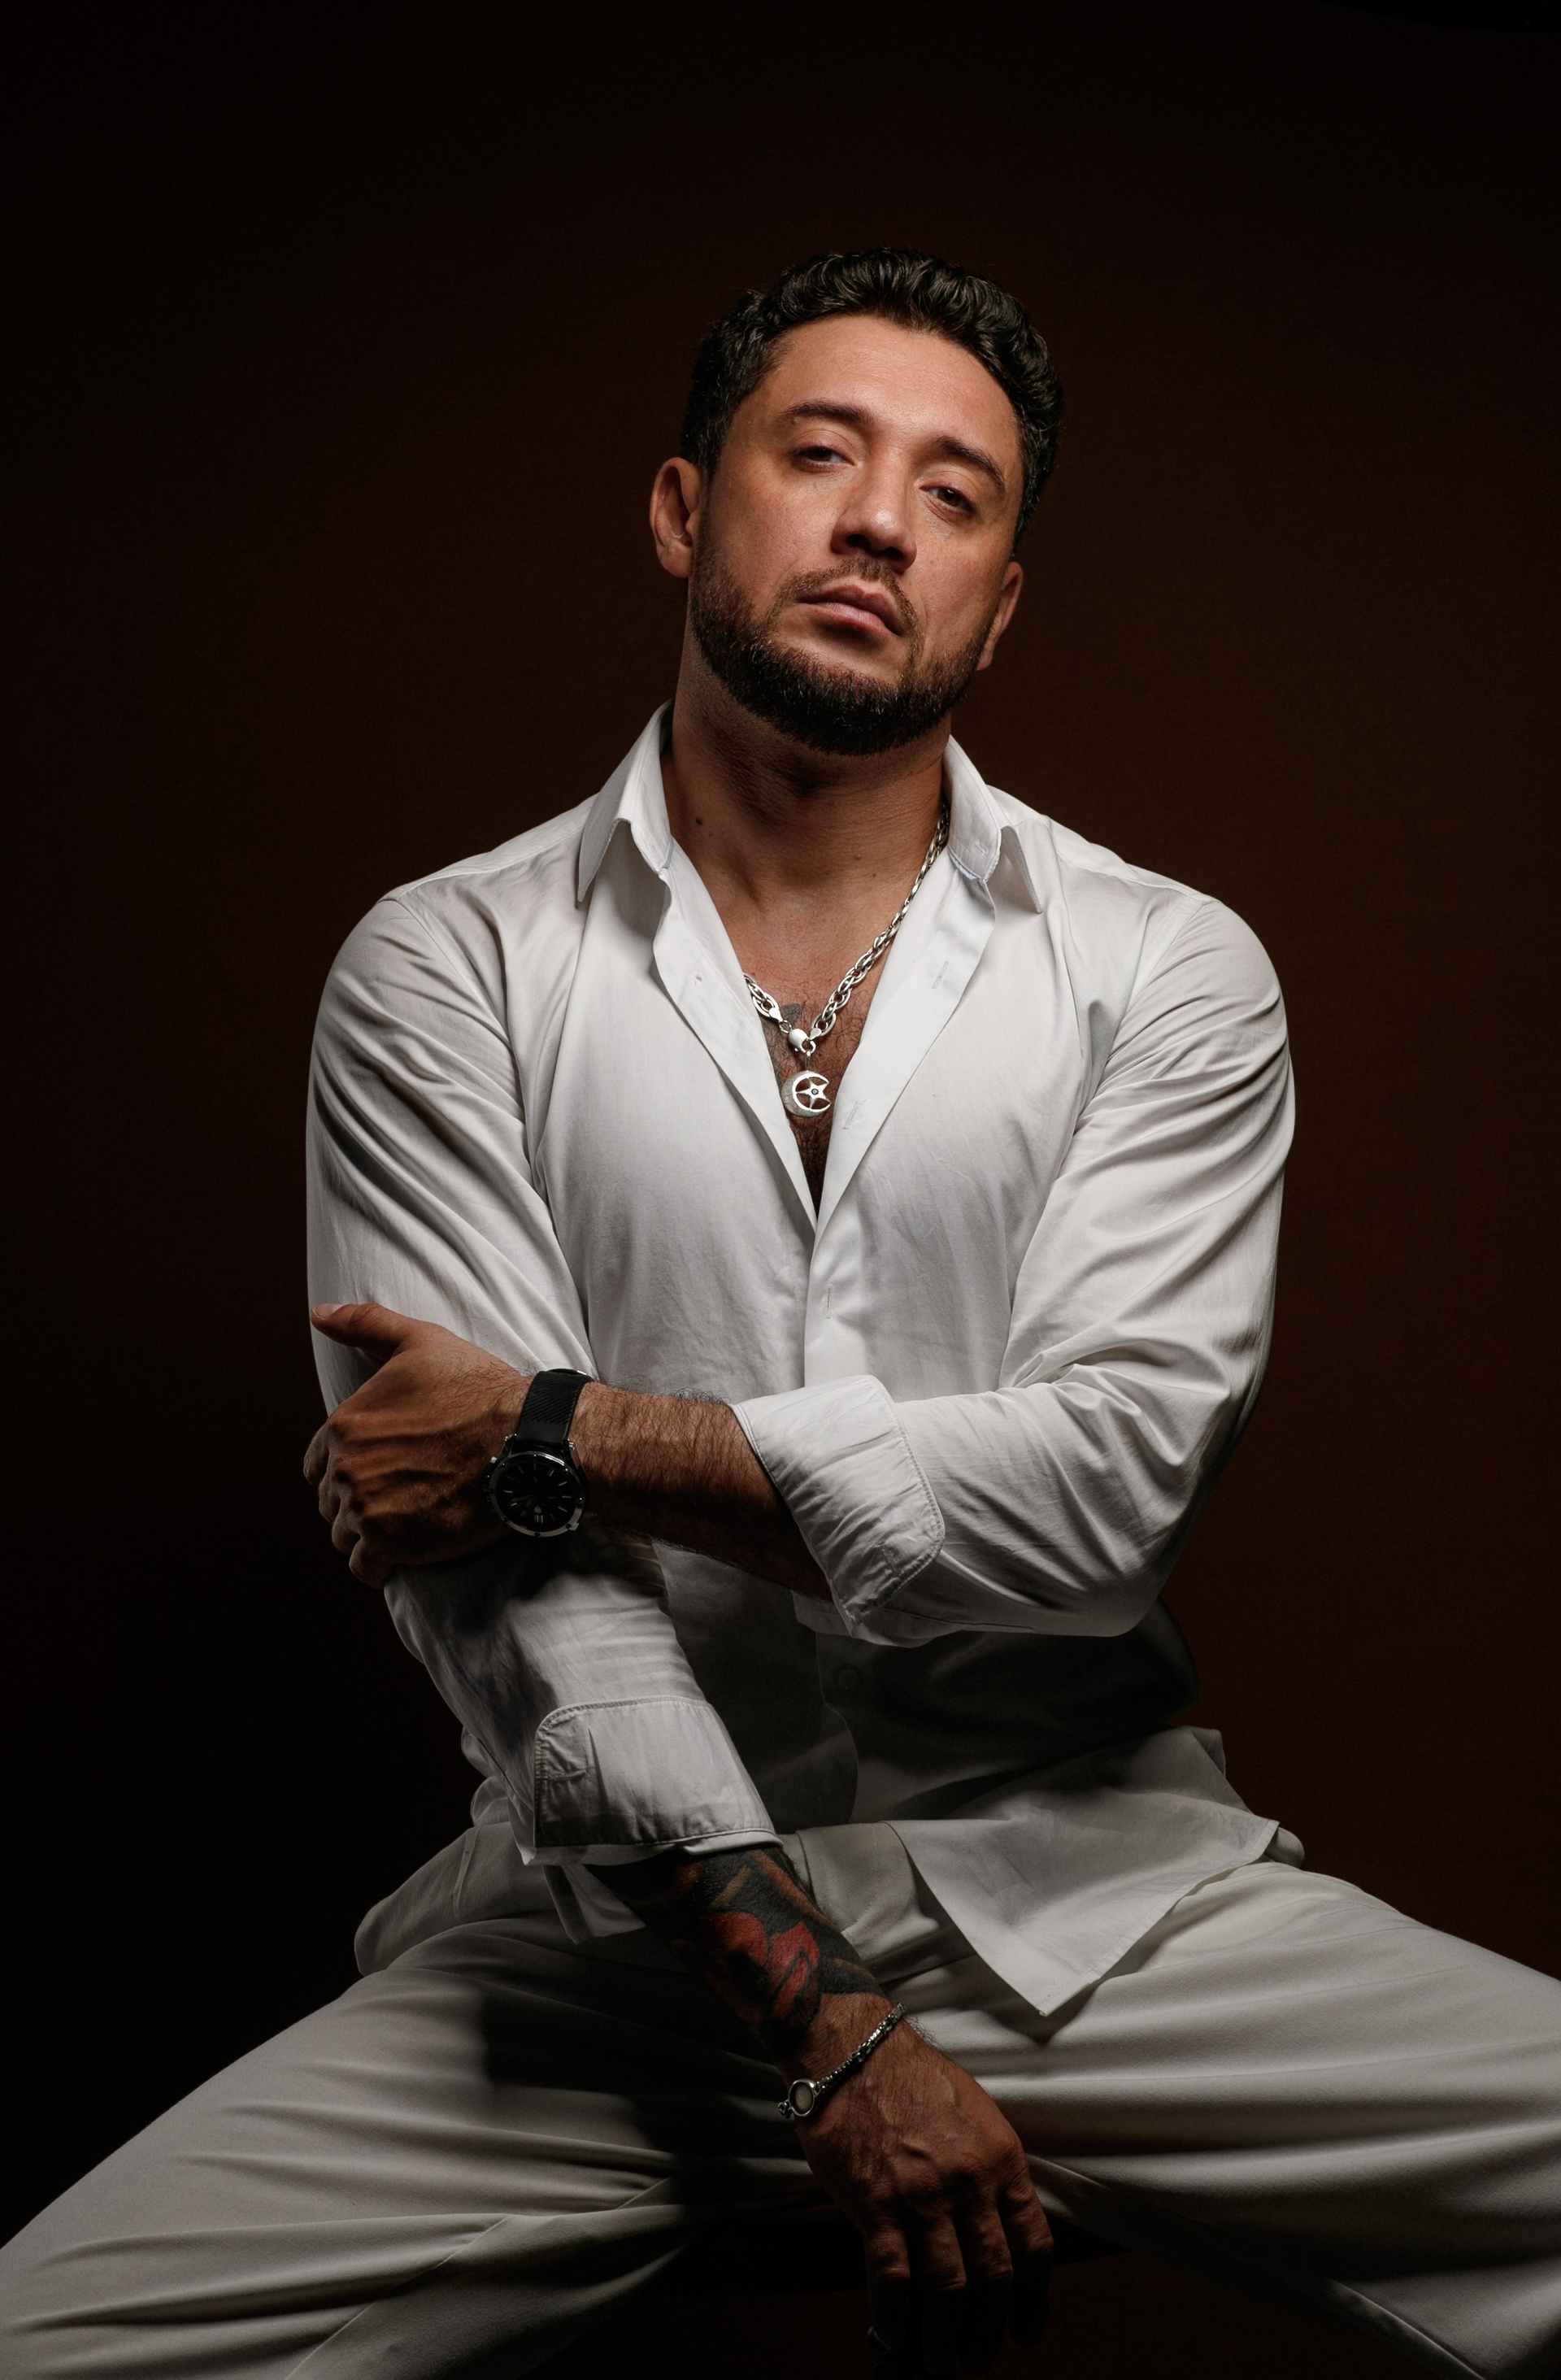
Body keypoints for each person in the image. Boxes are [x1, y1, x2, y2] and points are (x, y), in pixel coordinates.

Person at [3, 249, 1558, 2380]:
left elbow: (1098, 1503)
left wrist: (559, 1431)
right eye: (820, 454)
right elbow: (508, 1593)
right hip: (622, 1946)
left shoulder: (1163, 969)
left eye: (954, 493)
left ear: (1000, 598)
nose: (880, 522)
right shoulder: (446, 968)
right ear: (682, 507)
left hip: (1097, 1910)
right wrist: (823, 2026)